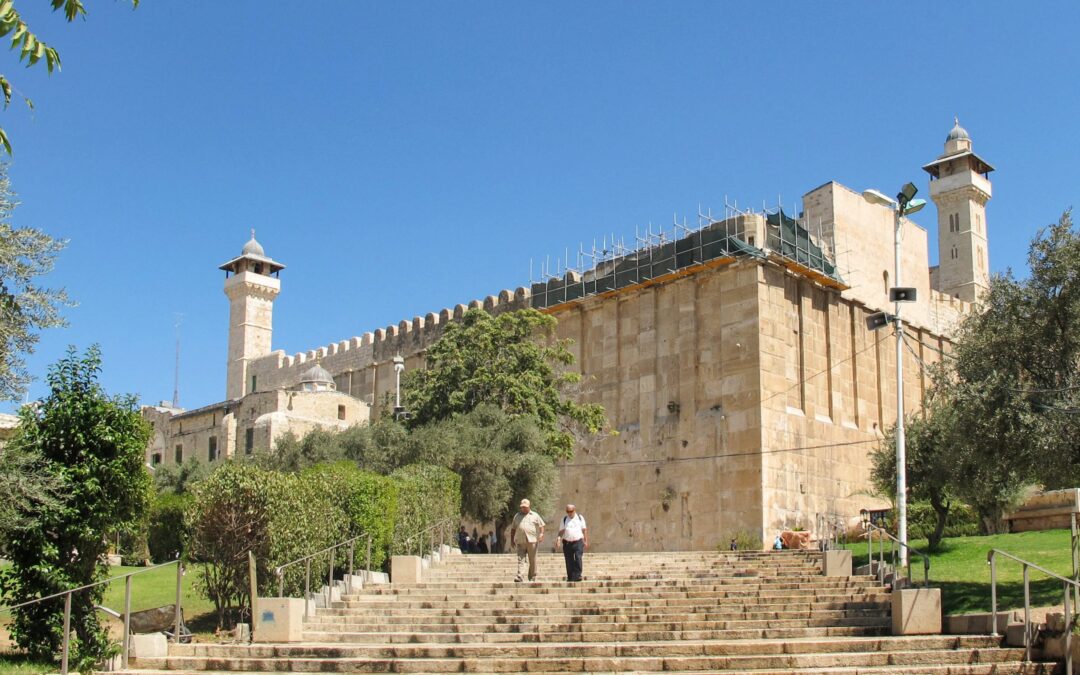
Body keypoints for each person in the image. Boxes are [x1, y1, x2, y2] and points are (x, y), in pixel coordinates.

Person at [510, 498, 545, 582]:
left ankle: (532, 576)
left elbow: (541, 525)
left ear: (529, 506)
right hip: (521, 541)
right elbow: (513, 529)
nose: (523, 508)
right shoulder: (517, 516)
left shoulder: (535, 515)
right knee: (521, 559)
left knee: (532, 560)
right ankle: (520, 576)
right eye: (522, 507)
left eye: (525, 507)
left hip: (532, 541)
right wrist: (512, 540)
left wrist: (541, 534)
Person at [556, 504, 588, 582]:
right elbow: (561, 531)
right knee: (569, 560)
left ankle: (578, 575)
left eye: (571, 511)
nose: (569, 513)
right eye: (568, 511)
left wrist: (586, 540)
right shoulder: (564, 519)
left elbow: (584, 529)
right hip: (567, 543)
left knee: (578, 558)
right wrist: (558, 539)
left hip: (578, 541)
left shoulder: (580, 518)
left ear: (574, 510)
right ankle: (570, 576)